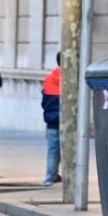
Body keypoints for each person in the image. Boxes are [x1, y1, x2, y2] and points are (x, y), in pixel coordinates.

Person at [41, 52, 61, 186]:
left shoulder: (49, 78)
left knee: (52, 149)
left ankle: (50, 177)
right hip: (64, 120)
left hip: (51, 120)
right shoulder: (71, 79)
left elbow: (44, 102)